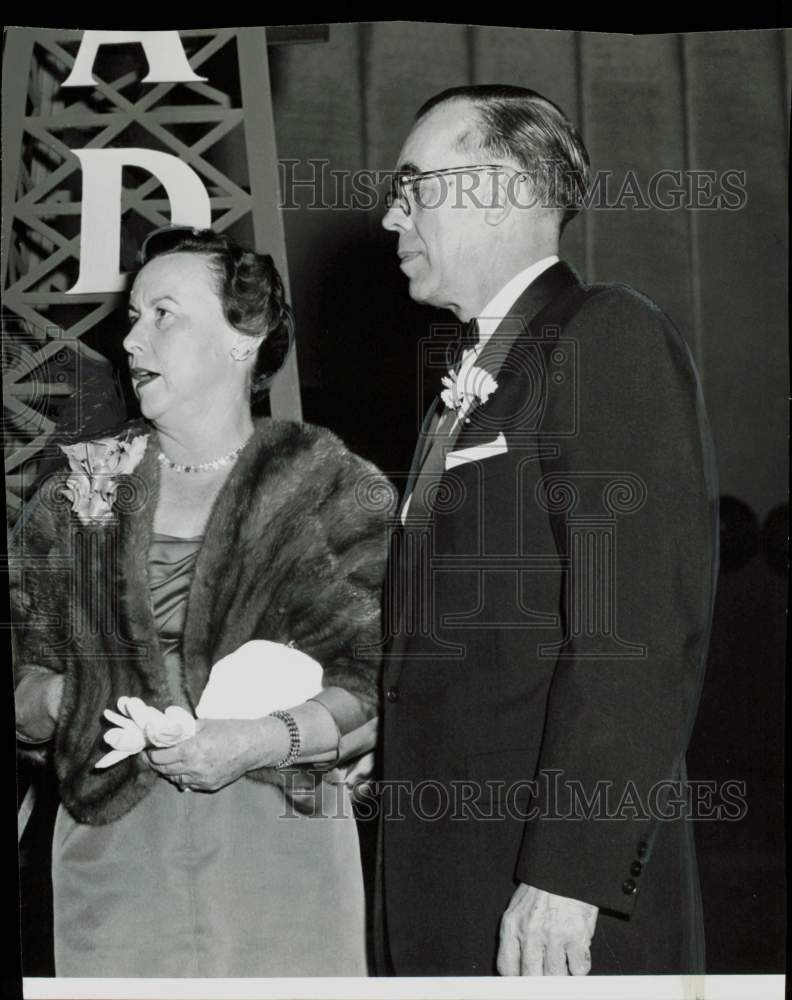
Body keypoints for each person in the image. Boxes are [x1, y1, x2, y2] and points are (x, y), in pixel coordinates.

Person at [377, 85, 719, 976]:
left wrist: (571, 875)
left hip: (548, 907)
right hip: (454, 879)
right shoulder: (467, 384)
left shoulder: (605, 335)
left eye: (412, 186)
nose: (389, 217)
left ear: (498, 188)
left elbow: (638, 632)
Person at [10, 227, 395, 977]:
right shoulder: (77, 490)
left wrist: (257, 739)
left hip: (282, 858)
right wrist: (65, 698)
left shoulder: (329, 484)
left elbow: (374, 681)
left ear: (242, 338)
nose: (132, 339)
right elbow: (23, 678)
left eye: (164, 314)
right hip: (112, 865)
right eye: (131, 317)